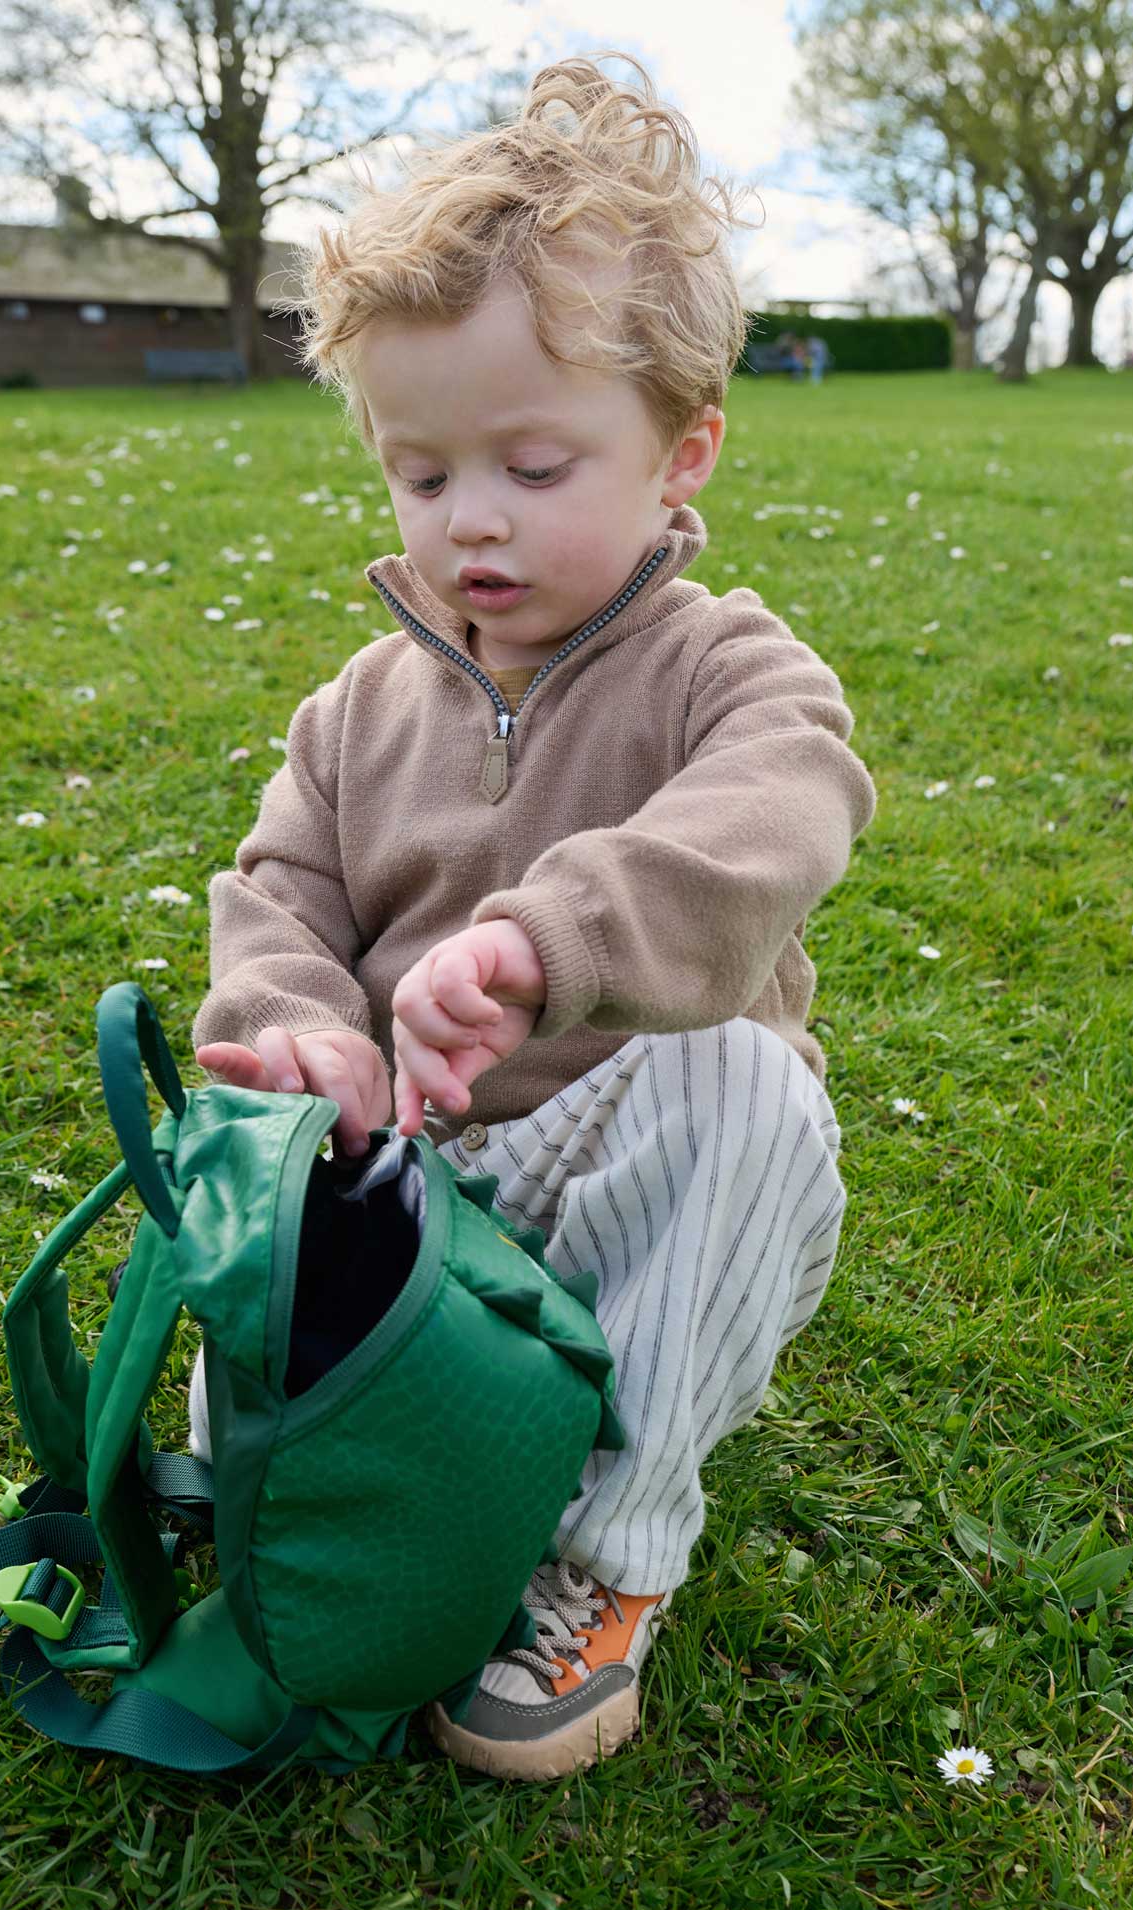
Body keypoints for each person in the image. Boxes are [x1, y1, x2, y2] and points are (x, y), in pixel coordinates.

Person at [186, 51, 878, 1782]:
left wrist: (546, 940)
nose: (470, 518)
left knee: (741, 1078)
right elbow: (278, 894)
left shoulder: (729, 670)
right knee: (239, 1240)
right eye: (422, 477)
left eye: (535, 463)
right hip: (421, 1181)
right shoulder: (358, 709)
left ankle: (602, 1558)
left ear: (681, 449)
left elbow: (778, 813)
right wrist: (304, 1035)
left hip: (630, 1189)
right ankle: (337, 1450)